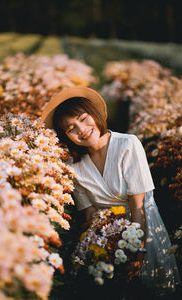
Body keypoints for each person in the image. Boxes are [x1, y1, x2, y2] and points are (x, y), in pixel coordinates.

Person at [41, 86, 180, 298]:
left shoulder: (127, 145)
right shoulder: (73, 166)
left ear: (94, 114)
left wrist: (136, 251)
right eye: (71, 128)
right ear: (66, 136)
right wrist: (93, 252)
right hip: (108, 237)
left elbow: (138, 205)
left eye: (83, 118)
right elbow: (89, 217)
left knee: (153, 289)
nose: (81, 129)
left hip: (143, 228)